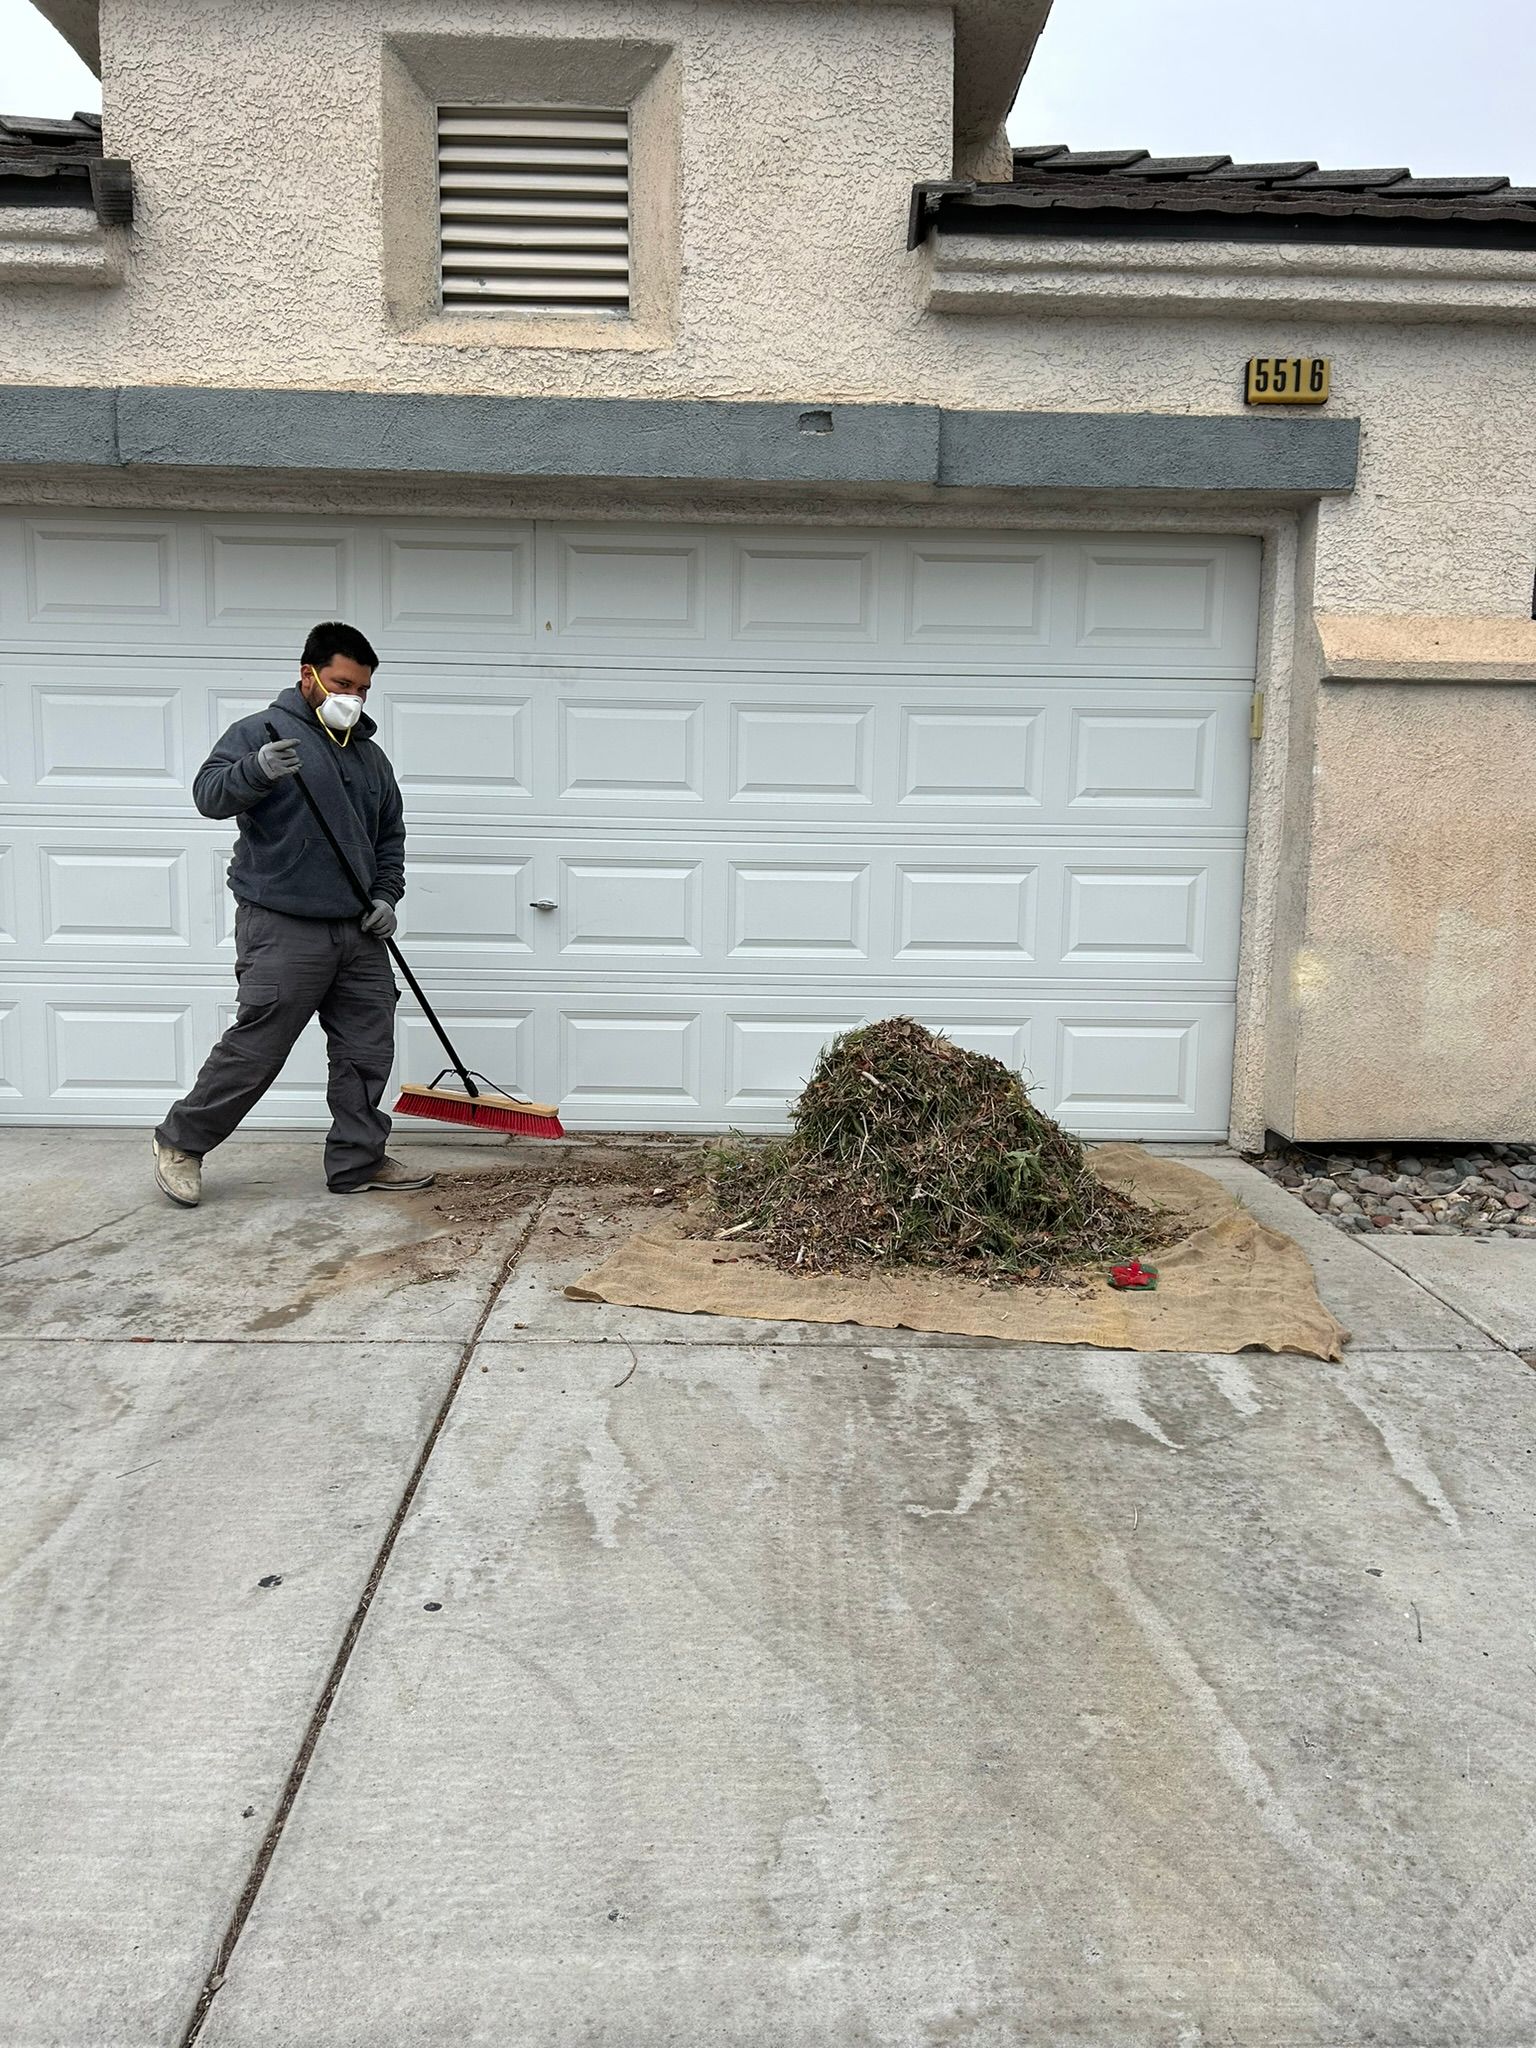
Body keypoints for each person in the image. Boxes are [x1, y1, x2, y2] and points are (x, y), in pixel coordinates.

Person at [151, 622, 435, 1206]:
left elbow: (389, 838)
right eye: (340, 683)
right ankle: (180, 1142)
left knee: (366, 1048)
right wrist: (254, 770)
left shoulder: (370, 757)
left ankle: (358, 1159)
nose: (350, 698)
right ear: (306, 674)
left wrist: (386, 897)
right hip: (282, 922)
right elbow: (209, 797)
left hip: (358, 931)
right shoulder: (260, 733)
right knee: (259, 1045)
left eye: (361, 689)